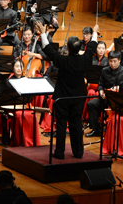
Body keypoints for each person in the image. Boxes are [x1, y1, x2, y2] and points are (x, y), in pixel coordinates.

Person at [40, 25, 99, 159]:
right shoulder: (84, 60)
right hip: (78, 98)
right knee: (76, 124)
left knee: (61, 124)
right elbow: (91, 47)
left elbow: (50, 51)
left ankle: (60, 152)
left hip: (63, 98)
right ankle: (78, 152)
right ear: (79, 48)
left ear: (67, 48)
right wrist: (94, 33)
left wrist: (43, 34)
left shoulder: (63, 60)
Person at [86, 50, 123, 137]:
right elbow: (100, 84)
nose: (112, 63)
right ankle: (96, 129)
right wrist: (100, 91)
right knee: (91, 104)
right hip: (105, 98)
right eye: (110, 61)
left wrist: (118, 88)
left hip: (116, 100)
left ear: (119, 60)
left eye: (115, 61)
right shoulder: (105, 70)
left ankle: (111, 130)